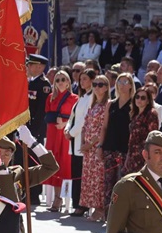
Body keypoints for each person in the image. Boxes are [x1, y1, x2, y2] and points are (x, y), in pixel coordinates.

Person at [44, 69, 78, 211]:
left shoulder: (74, 98)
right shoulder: (51, 97)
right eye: (57, 80)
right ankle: (56, 198)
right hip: (52, 133)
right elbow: (47, 114)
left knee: (65, 164)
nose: (60, 82)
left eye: (63, 79)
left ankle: (62, 199)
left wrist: (64, 124)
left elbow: (76, 118)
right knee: (54, 162)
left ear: (68, 82)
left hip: (64, 134)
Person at [66, 67, 96, 217]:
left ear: (92, 80)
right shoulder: (81, 97)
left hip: (81, 139)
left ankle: (81, 204)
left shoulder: (91, 97)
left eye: (85, 78)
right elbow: (72, 117)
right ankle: (75, 202)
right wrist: (67, 129)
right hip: (74, 139)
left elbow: (84, 119)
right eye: (81, 79)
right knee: (75, 172)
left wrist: (71, 133)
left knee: (80, 173)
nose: (82, 81)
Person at [81, 75, 111, 220]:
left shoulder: (107, 105)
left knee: (98, 178)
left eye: (100, 84)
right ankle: (92, 207)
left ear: (106, 87)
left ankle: (100, 209)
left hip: (97, 146)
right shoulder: (92, 105)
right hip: (87, 149)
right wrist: (82, 142)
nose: (97, 87)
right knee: (89, 178)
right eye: (95, 84)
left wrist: (90, 144)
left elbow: (103, 129)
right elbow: (85, 124)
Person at [103, 72, 135, 198]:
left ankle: (121, 214)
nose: (122, 85)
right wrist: (100, 146)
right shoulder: (111, 104)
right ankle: (107, 214)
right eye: (119, 82)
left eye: (125, 82)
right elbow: (104, 127)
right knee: (108, 182)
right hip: (109, 147)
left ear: (131, 85)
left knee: (123, 182)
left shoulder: (134, 104)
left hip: (125, 148)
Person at [123, 86, 159, 175]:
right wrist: (128, 156)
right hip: (132, 154)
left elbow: (153, 137)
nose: (139, 99)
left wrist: (148, 157)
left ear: (148, 101)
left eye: (143, 98)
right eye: (137, 97)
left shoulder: (151, 113)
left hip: (143, 154)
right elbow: (131, 138)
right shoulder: (135, 114)